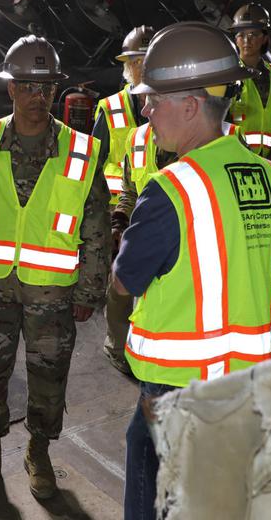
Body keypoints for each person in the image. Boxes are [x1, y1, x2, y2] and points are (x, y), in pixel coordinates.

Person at [111, 22, 271, 519]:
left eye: (154, 100)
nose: (146, 111)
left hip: (173, 389)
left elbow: (123, 281)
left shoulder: (169, 190)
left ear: (189, 104)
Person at [0, 35, 111, 499]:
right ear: (11, 89)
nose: (39, 97)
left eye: (47, 87)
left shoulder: (81, 151)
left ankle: (38, 450)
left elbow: (97, 227)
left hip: (52, 294)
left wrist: (89, 291)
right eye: (28, 87)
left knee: (48, 374)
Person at [93, 25, 156, 374]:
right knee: (119, 284)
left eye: (149, 59)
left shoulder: (169, 103)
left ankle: (148, 340)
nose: (142, 66)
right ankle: (117, 344)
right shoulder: (111, 109)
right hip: (118, 211)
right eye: (137, 60)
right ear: (127, 66)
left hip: (156, 212)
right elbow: (92, 164)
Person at [227, 3, 271, 159]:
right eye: (241, 35)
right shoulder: (227, 74)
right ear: (235, 39)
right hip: (234, 155)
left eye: (253, 34)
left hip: (269, 159)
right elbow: (219, 118)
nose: (247, 40)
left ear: (264, 38)